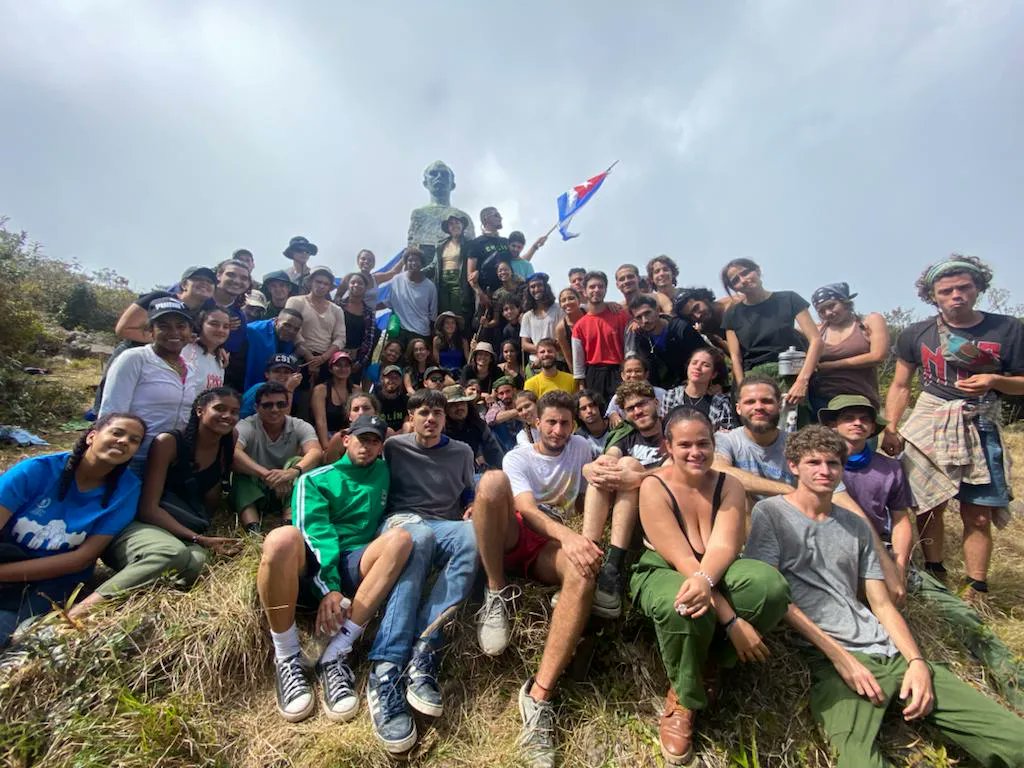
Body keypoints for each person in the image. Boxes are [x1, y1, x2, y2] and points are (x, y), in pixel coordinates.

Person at [744, 426, 1024, 768]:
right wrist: (841, 658)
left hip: (888, 651)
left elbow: (881, 604)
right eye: (813, 462)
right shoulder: (771, 514)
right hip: (832, 661)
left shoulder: (856, 525)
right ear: (793, 466)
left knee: (1014, 740)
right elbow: (775, 597)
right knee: (857, 760)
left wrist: (917, 663)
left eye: (832, 463)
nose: (823, 471)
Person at [821, 394, 1024, 711]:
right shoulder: (819, 464)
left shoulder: (889, 468)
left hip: (887, 554)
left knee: (959, 613)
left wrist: (900, 562)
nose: (857, 422)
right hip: (840, 557)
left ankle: (1013, 680)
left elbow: (901, 519)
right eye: (848, 417)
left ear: (874, 426)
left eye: (864, 417)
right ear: (833, 424)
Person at [630, 407, 789, 765]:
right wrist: (732, 621)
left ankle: (710, 662)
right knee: (684, 603)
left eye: (703, 443)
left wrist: (706, 581)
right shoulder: (653, 486)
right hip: (666, 568)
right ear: (668, 446)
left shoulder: (728, 484)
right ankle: (685, 697)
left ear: (714, 444)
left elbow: (723, 547)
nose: (695, 452)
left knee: (770, 586)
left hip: (715, 570)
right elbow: (683, 561)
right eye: (684, 444)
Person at [258, 414, 421, 753]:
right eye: (362, 438)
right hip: (313, 566)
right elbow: (316, 537)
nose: (367, 446)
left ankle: (337, 651)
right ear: (346, 439)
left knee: (402, 539)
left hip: (355, 562)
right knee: (281, 539)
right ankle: (287, 656)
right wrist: (328, 587)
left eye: (375, 440)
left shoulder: (384, 472)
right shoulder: (316, 479)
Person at [471, 390, 600, 768]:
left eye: (565, 422)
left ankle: (538, 696)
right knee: (492, 483)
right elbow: (525, 508)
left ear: (573, 423)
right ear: (536, 423)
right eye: (551, 422)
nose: (558, 430)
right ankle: (495, 591)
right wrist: (570, 536)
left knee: (582, 572)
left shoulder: (581, 447)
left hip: (549, 547)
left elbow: (586, 489)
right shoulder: (518, 455)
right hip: (517, 532)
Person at [885, 255, 1024, 598]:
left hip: (980, 421)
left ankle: (976, 585)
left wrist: (995, 380)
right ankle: (935, 571)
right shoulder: (916, 333)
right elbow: (901, 385)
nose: (955, 295)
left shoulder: (1007, 329)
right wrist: (890, 426)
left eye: (963, 287)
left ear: (978, 288)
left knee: (977, 512)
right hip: (930, 419)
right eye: (946, 290)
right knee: (927, 502)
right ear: (933, 295)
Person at [714, 375, 904, 602]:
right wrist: (788, 490)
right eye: (750, 402)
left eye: (766, 401)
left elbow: (848, 506)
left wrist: (886, 565)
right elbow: (721, 470)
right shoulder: (726, 441)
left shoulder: (800, 446)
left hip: (800, 537)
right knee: (740, 495)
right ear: (738, 408)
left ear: (779, 404)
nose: (759, 407)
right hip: (749, 541)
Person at [76, 389, 244, 617]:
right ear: (199, 410)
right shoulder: (169, 442)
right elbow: (148, 508)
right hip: (145, 524)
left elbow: (212, 490)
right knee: (171, 554)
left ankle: (138, 605)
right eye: (220, 408)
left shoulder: (228, 440)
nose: (227, 416)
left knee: (198, 563)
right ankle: (81, 612)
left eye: (234, 412)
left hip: (184, 527)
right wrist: (199, 538)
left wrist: (205, 529)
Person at [376, 389, 479, 737]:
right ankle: (386, 664)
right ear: (411, 417)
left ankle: (426, 646)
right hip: (402, 521)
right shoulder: (395, 447)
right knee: (417, 537)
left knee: (473, 535)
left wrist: (471, 506)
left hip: (444, 523)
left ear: (445, 417)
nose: (431, 418)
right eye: (423, 412)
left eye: (437, 412)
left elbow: (468, 491)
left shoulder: (462, 451)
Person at [0, 414, 145, 647]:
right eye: (117, 433)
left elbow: (82, 559)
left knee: (12, 636)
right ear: (91, 436)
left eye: (134, 440)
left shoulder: (126, 490)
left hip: (53, 583)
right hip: (7, 559)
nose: (123, 441)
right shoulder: (35, 471)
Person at [584, 381, 668, 618]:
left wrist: (639, 477)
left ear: (656, 402)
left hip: (662, 509)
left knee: (629, 465)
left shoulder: (672, 430)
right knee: (615, 465)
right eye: (630, 409)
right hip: (628, 511)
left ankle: (613, 567)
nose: (637, 411)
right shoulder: (627, 437)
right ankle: (587, 558)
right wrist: (591, 468)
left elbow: (684, 469)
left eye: (642, 404)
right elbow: (608, 459)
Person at [99, 297, 203, 469]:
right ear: (150, 331)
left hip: (172, 461)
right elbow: (112, 412)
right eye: (164, 326)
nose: (174, 332)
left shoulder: (191, 369)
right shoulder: (134, 359)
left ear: (190, 331)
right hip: (133, 459)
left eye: (181, 326)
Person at [720, 259, 821, 407]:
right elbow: (736, 357)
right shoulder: (732, 314)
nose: (743, 280)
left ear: (758, 271)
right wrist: (742, 389)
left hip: (790, 373)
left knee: (795, 425)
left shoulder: (789, 299)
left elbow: (816, 340)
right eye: (736, 280)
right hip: (754, 378)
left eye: (746, 272)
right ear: (734, 287)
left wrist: (802, 380)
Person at [230, 382, 323, 533]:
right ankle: (253, 531)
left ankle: (288, 524)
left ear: (287, 405)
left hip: (287, 486)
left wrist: (291, 472)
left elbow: (315, 452)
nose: (275, 410)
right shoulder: (246, 425)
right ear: (256, 407)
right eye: (267, 405)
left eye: (281, 404)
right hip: (257, 484)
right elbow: (234, 452)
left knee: (299, 463)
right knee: (240, 477)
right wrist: (266, 475)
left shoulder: (299, 425)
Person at [810, 282, 889, 412]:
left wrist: (831, 366)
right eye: (821, 311)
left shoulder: (869, 322)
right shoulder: (817, 332)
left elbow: (878, 356)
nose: (828, 313)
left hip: (861, 398)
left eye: (831, 305)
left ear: (845, 302)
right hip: (823, 401)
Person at [114, 265, 216, 344]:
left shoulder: (206, 313)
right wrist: (172, 339)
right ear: (184, 284)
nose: (205, 283)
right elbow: (123, 329)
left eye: (210, 281)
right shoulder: (158, 298)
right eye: (198, 279)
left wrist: (217, 349)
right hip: (132, 356)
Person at [571, 271, 631, 404]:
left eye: (600, 286)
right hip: (593, 374)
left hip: (619, 371)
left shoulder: (620, 315)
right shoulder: (579, 326)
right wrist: (581, 385)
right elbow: (578, 361)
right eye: (592, 287)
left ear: (605, 290)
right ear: (585, 291)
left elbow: (630, 346)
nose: (596, 290)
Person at [285, 266, 346, 392]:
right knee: (294, 396)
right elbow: (292, 329)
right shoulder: (296, 301)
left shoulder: (336, 310)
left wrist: (323, 358)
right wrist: (308, 356)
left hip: (326, 360)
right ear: (310, 282)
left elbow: (340, 338)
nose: (322, 286)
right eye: (318, 282)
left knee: (322, 398)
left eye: (326, 283)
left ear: (330, 287)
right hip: (299, 357)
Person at [625, 294, 705, 390]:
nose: (645, 320)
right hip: (666, 391)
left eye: (647, 313)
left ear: (657, 310)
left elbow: (707, 355)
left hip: (697, 383)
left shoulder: (681, 329)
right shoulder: (642, 339)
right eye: (639, 317)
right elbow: (650, 371)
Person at [663, 347, 738, 432]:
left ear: (713, 374)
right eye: (694, 363)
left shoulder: (721, 403)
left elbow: (727, 435)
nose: (698, 367)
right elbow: (664, 429)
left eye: (705, 365)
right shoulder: (671, 395)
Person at [442, 384, 503, 472]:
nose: (459, 408)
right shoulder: (440, 430)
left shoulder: (478, 425)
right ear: (445, 409)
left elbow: (494, 451)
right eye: (453, 405)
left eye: (462, 403)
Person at [212, 258, 252, 391]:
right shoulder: (199, 298)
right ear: (219, 275)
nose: (237, 281)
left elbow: (229, 353)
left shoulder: (239, 317)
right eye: (231, 275)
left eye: (244, 278)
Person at [429, 214, 474, 329]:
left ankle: (460, 340)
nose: (455, 226)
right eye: (451, 224)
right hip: (443, 281)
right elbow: (433, 265)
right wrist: (417, 271)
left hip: (458, 280)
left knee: (457, 313)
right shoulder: (441, 245)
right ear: (448, 228)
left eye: (457, 223)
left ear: (462, 226)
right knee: (443, 314)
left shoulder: (468, 244)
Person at [388, 247, 437, 350]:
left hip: (421, 333)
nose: (413, 263)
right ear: (405, 262)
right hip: (400, 331)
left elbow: (433, 314)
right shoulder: (397, 280)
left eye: (417, 260)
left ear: (422, 263)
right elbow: (389, 302)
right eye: (410, 260)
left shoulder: (430, 286)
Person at [242, 308, 302, 392]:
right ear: (276, 321)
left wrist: (295, 356)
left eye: (296, 329)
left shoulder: (290, 339)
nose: (291, 331)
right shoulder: (253, 331)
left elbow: (285, 361)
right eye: (287, 325)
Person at [310, 351, 360, 450]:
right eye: (338, 365)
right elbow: (321, 421)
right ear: (331, 369)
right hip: (326, 435)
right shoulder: (321, 390)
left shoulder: (356, 390)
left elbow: (359, 418)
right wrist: (326, 446)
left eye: (346, 366)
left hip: (349, 434)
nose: (343, 369)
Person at [335, 272, 378, 382]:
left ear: (365, 288)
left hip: (354, 362)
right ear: (348, 285)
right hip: (334, 358)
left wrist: (360, 363)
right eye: (353, 282)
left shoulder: (369, 312)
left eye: (360, 283)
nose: (356, 285)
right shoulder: (337, 306)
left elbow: (369, 340)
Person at [605, 354, 668, 428]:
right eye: (629, 371)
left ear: (646, 374)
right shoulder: (618, 397)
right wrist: (613, 414)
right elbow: (609, 413)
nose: (633, 375)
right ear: (622, 376)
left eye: (637, 371)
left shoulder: (661, 393)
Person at [322, 393, 385, 464]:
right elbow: (332, 468)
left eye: (366, 408)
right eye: (356, 409)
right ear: (349, 416)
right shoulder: (339, 438)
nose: (361, 413)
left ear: (376, 413)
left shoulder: (387, 433)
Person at [181, 305, 231, 391]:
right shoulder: (186, 350)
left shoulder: (220, 360)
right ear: (200, 325)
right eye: (214, 324)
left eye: (226, 327)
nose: (221, 330)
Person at [520, 273, 564, 368]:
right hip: (535, 364)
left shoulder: (559, 309)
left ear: (546, 287)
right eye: (532, 286)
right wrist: (542, 352)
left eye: (539, 285)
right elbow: (524, 344)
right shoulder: (527, 316)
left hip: (557, 362)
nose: (536, 289)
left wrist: (547, 353)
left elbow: (563, 338)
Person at [240, 353, 302, 419]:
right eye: (277, 371)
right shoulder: (260, 388)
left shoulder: (285, 391)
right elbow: (281, 421)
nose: (282, 375)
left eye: (286, 372)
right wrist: (290, 390)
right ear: (267, 374)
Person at [466, 206, 510, 295]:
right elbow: (470, 274)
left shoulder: (506, 241)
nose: (500, 218)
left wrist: (535, 247)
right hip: (487, 293)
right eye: (496, 215)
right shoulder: (476, 243)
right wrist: (480, 295)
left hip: (508, 292)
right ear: (486, 219)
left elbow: (519, 261)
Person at [675, 286, 729, 353]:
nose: (697, 316)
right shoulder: (706, 329)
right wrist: (716, 339)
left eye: (696, 308)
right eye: (691, 316)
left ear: (704, 299)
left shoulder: (733, 306)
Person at [485, 376, 522, 453]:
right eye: (501, 393)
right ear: (497, 395)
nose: (505, 396)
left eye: (508, 391)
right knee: (497, 426)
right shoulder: (497, 405)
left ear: (514, 390)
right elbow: (490, 419)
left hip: (522, 441)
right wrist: (518, 411)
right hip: (505, 445)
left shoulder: (521, 402)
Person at [373, 365, 410, 434]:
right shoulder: (373, 400)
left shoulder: (406, 400)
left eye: (396, 378)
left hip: (401, 436)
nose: (392, 381)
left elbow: (407, 421)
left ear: (400, 381)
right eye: (389, 377)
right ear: (382, 379)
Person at [554, 287, 584, 372]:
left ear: (579, 301)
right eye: (563, 300)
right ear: (560, 305)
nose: (567, 303)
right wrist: (578, 379)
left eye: (571, 298)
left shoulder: (589, 313)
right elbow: (569, 359)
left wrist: (610, 304)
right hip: (580, 367)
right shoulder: (561, 328)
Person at [574, 389, 611, 454]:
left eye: (591, 405)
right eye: (583, 408)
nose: (589, 411)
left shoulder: (614, 426)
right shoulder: (579, 437)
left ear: (598, 406)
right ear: (578, 415)